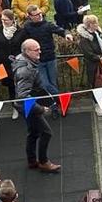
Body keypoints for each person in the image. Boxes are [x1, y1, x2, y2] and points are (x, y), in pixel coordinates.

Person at [14, 39, 62, 174]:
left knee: (33, 132)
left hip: (28, 104)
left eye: (39, 48)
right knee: (46, 133)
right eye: (36, 50)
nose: (39, 52)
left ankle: (31, 160)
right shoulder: (26, 70)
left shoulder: (23, 60)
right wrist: (40, 109)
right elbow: (23, 96)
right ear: (27, 51)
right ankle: (43, 162)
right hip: (28, 105)